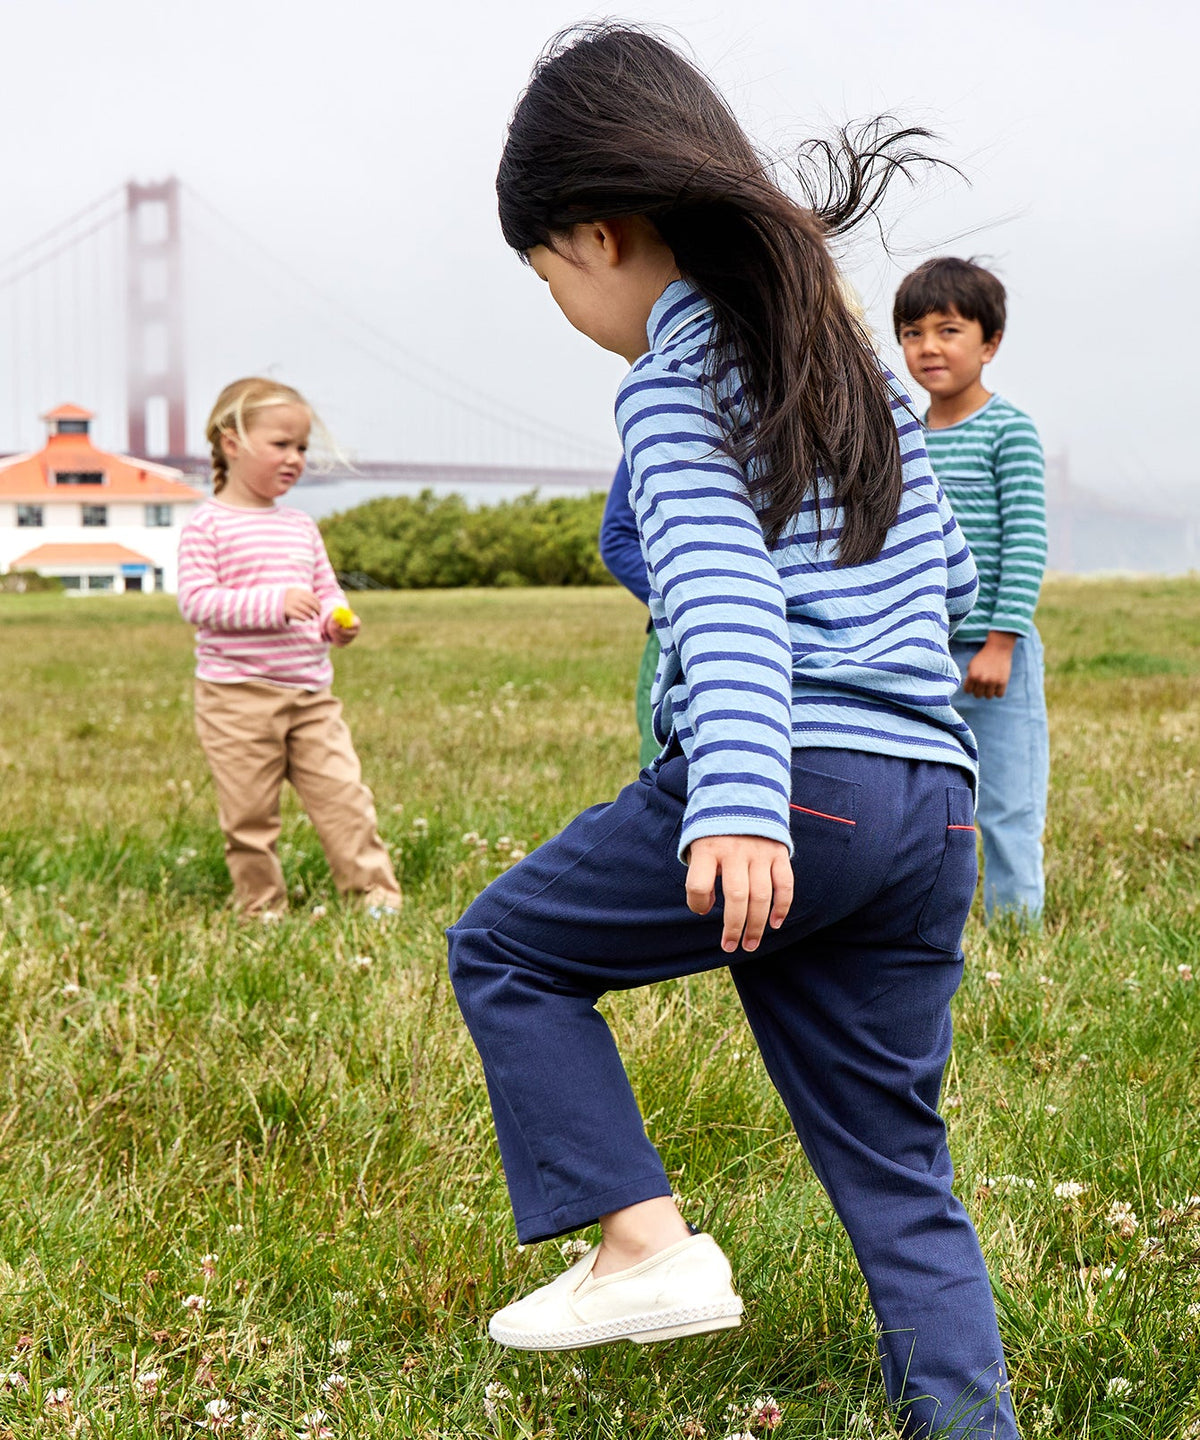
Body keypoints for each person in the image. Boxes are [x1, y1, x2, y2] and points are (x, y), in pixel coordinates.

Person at [448, 25, 1019, 1440]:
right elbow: (943, 579)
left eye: (549, 283)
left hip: (793, 793)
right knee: (897, 1157)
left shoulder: (671, 378)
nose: (565, 310)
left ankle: (641, 1248)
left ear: (597, 231)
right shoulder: (854, 361)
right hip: (928, 805)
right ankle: (967, 1421)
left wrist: (745, 797)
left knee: (508, 949)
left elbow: (726, 603)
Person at [177, 377, 402, 919]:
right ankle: (261, 904)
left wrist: (333, 620)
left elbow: (324, 589)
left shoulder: (300, 526)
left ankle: (374, 895)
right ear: (231, 443)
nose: (295, 458)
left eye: (301, 447)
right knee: (249, 814)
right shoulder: (207, 524)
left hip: (309, 695)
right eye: (281, 444)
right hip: (236, 697)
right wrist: (275, 602)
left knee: (345, 799)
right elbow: (198, 602)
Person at [895, 258, 1049, 923]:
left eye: (948, 330)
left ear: (989, 344)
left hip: (993, 655)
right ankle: (925, 920)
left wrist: (1001, 641)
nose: (929, 347)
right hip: (918, 655)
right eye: (912, 332)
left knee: (1008, 801)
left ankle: (1015, 924)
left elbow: (1026, 544)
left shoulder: (1008, 431)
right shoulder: (901, 436)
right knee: (921, 803)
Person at [598, 457, 661, 767]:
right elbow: (617, 538)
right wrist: (685, 600)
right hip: (675, 637)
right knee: (667, 774)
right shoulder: (667, 416)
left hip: (810, 638)